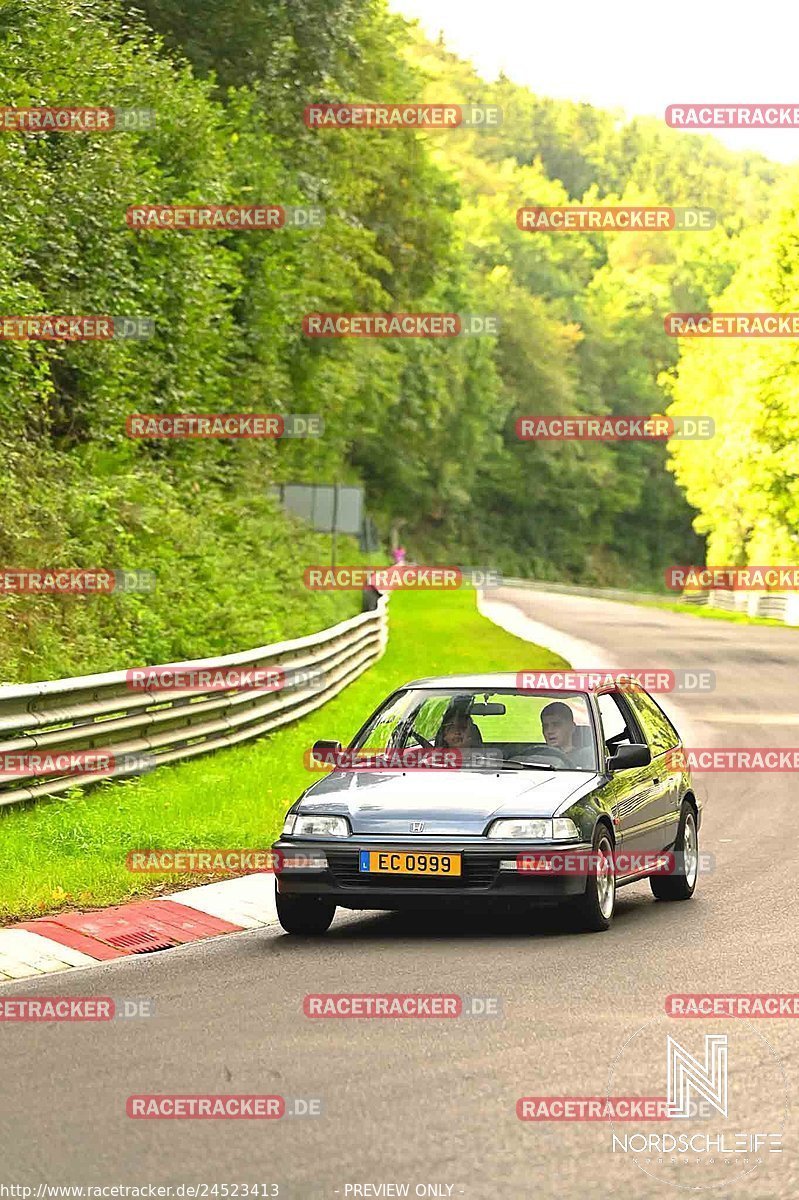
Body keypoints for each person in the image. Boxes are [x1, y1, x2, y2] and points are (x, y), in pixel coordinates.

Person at [540, 701, 594, 768]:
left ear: (572, 727)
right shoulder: (538, 756)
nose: (549, 731)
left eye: (556, 725)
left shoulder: (587, 757)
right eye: (545, 726)